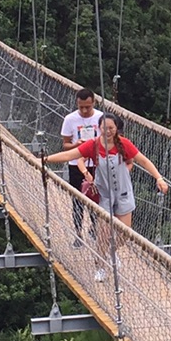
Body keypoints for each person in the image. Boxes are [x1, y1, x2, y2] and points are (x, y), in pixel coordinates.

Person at [43, 114, 167, 277]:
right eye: (104, 128)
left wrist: (159, 178)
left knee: (125, 235)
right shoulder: (93, 145)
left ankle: (110, 250)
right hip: (104, 195)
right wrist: (45, 159)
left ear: (116, 129)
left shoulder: (124, 144)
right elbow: (70, 155)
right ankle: (100, 267)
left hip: (123, 194)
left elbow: (143, 161)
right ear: (98, 128)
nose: (107, 131)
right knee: (102, 233)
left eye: (111, 128)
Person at [59, 89, 103, 241]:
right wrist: (75, 145)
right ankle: (78, 235)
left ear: (94, 103)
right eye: (81, 107)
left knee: (96, 199)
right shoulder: (70, 119)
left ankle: (94, 229)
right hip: (75, 164)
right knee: (77, 200)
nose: (84, 110)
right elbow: (65, 145)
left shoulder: (101, 118)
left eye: (88, 107)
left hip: (96, 164)